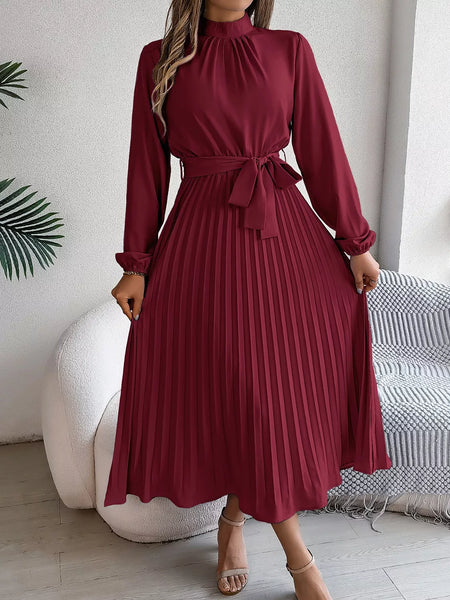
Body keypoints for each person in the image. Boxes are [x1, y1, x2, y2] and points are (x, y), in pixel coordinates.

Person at [104, 1, 393, 597]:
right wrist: (136, 263)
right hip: (203, 246)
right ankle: (299, 560)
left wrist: (355, 242)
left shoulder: (290, 49)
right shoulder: (159, 60)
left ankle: (234, 519)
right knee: (244, 393)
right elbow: (145, 167)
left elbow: (323, 151)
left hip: (288, 240)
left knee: (272, 397)